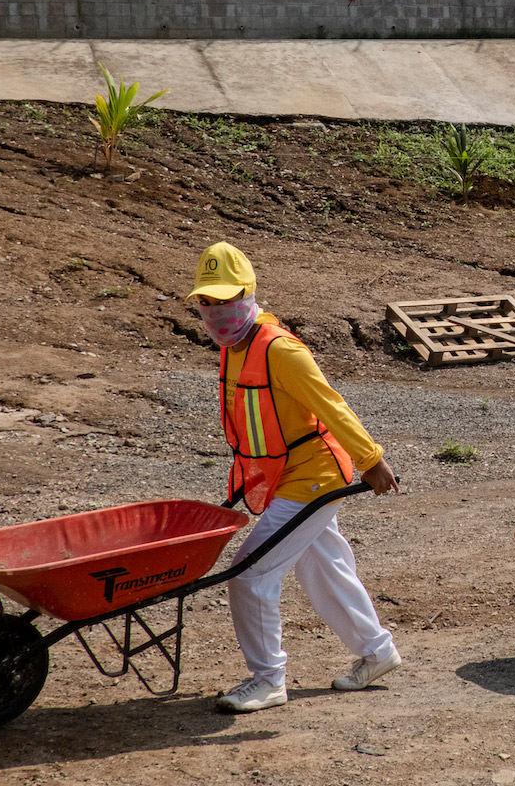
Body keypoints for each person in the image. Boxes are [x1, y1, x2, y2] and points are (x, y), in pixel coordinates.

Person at [188, 242, 401, 715]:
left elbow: (332, 405)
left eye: (226, 300)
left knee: (250, 573)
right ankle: (377, 651)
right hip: (287, 477)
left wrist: (371, 460)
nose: (216, 311)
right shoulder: (233, 349)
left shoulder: (280, 350)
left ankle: (268, 679)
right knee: (323, 565)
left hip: (315, 477)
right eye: (207, 301)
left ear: (248, 294)